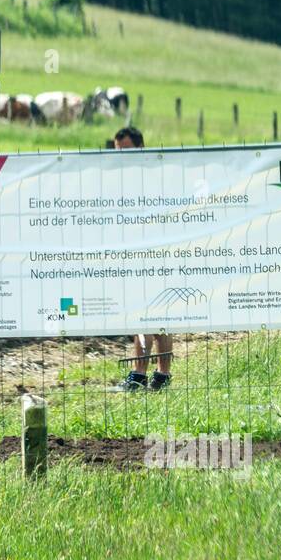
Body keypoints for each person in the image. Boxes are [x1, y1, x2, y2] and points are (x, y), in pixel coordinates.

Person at [111, 126, 173, 392]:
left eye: (126, 150)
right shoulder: (135, 176)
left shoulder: (145, 177)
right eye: (117, 151)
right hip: (150, 253)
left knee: (145, 316)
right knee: (160, 318)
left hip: (148, 256)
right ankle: (162, 377)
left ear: (141, 147)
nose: (121, 156)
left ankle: (138, 375)